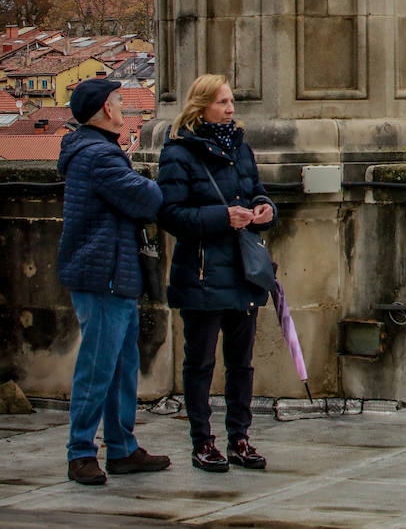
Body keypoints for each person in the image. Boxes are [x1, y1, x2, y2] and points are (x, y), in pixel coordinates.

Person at [157, 74, 276, 473]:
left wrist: (264, 210)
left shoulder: (240, 147)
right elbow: (171, 215)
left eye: (231, 102)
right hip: (203, 273)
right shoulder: (178, 153)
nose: (231, 109)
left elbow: (255, 190)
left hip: (243, 271)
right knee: (201, 363)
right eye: (223, 102)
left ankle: (240, 437)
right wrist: (222, 217)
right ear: (201, 106)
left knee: (241, 363)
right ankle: (202, 441)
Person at [57, 77, 171, 485]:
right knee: (98, 367)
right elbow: (147, 199)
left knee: (122, 365)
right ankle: (81, 452)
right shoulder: (98, 156)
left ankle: (122, 448)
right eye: (121, 100)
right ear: (107, 109)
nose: (125, 106)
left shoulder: (92, 150)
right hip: (103, 273)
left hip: (111, 273)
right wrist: (162, 180)